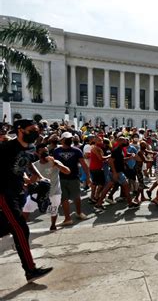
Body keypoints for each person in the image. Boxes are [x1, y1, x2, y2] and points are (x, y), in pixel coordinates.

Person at [0, 119, 53, 282]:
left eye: (37, 129)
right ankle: (30, 270)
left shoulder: (31, 147)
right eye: (32, 129)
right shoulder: (6, 149)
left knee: (7, 229)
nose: (36, 132)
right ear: (20, 130)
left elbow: (28, 163)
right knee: (20, 229)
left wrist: (38, 177)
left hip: (18, 192)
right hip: (4, 193)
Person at [23, 143, 71, 231]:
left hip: (54, 192)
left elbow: (67, 171)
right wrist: (28, 182)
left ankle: (53, 225)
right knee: (27, 207)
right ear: (37, 153)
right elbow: (32, 180)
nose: (46, 154)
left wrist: (56, 164)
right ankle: (21, 226)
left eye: (47, 152)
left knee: (53, 210)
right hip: (39, 192)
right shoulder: (35, 165)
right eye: (43, 152)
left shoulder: (55, 162)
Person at [53, 131, 91, 225]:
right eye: (67, 139)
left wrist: (88, 177)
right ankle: (67, 218)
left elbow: (84, 165)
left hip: (74, 177)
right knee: (64, 198)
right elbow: (53, 165)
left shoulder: (77, 151)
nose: (69, 140)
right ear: (61, 140)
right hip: (60, 178)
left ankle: (78, 213)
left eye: (70, 139)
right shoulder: (56, 151)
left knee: (77, 196)